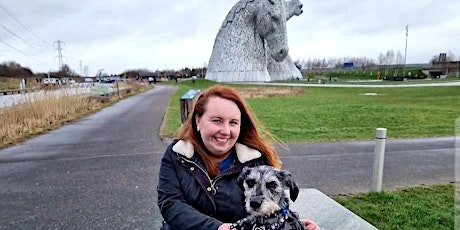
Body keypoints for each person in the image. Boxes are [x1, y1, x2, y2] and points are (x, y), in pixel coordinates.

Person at [157, 85, 320, 230]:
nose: (226, 131)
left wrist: (290, 222)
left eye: (233, 122)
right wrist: (218, 228)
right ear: (198, 121)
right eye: (217, 120)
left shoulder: (255, 160)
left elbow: (268, 204)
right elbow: (170, 203)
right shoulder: (177, 155)